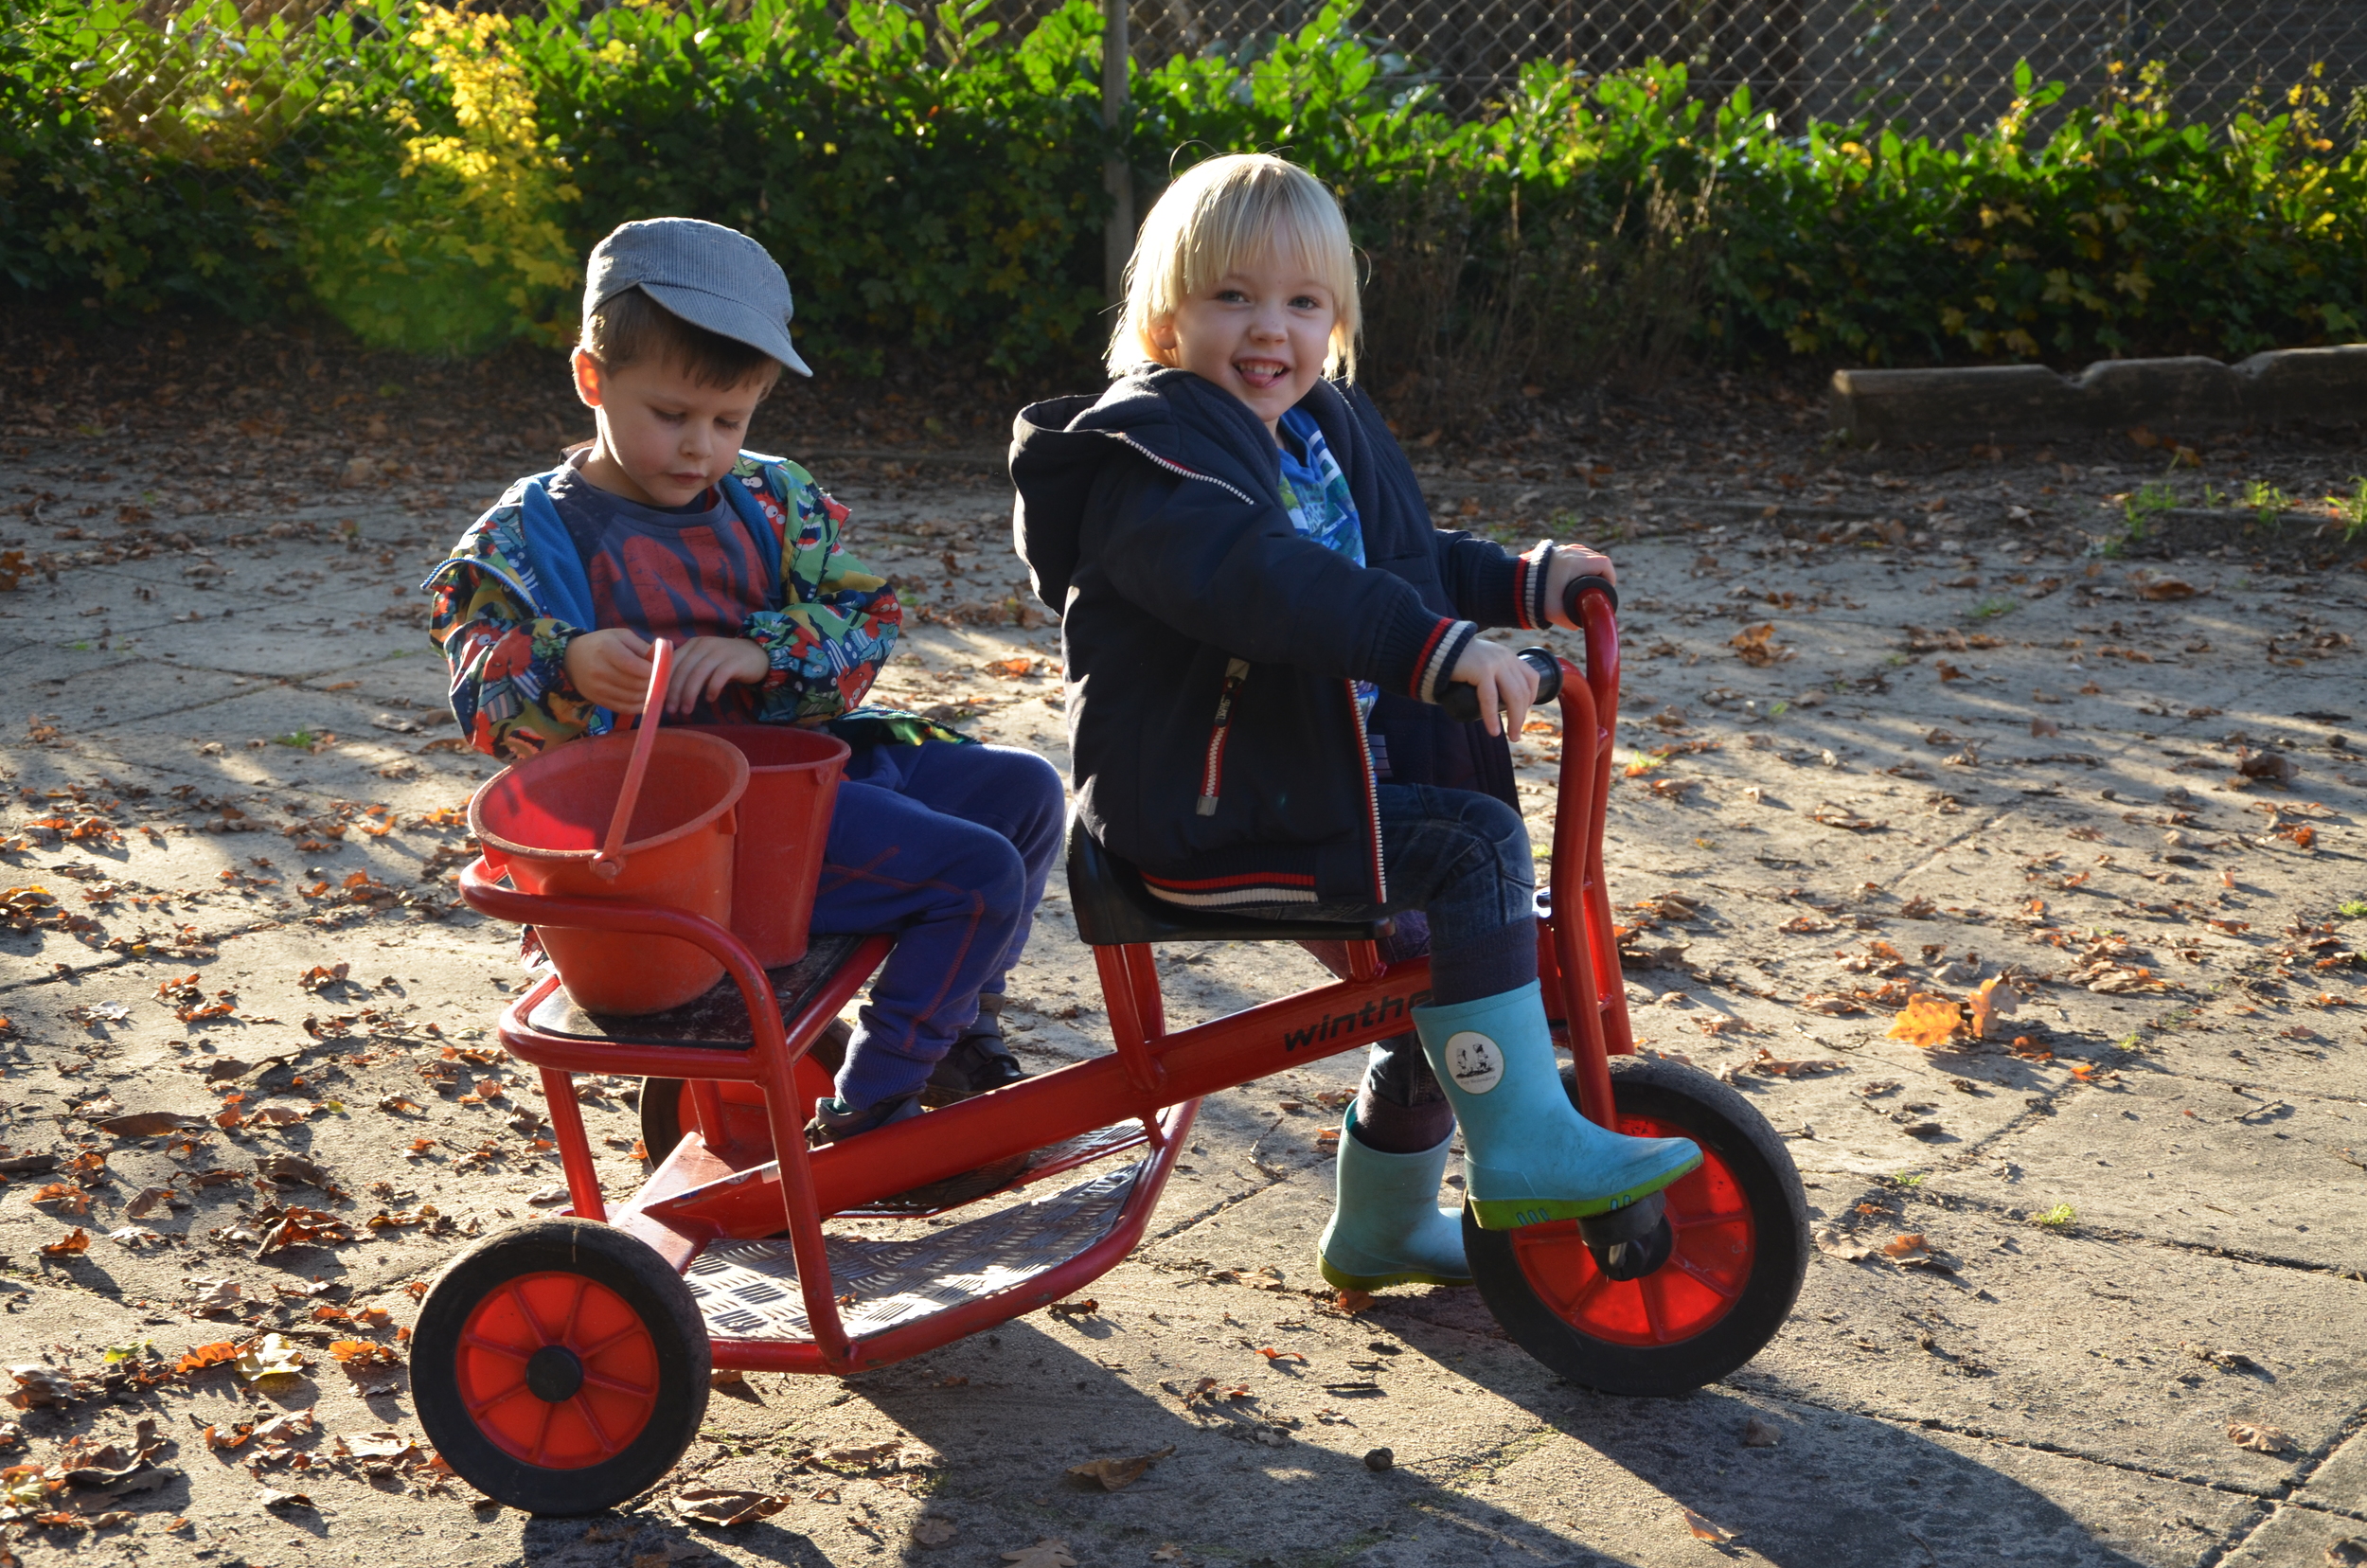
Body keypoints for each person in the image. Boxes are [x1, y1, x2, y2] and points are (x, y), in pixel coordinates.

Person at [1009, 155, 1698, 1290]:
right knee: (1472, 854)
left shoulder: (1310, 429)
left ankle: (1381, 1228)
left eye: (1302, 303)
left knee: (1440, 966)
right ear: (1165, 315)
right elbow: (1275, 583)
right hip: (1201, 803)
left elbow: (1393, 564)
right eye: (1232, 296)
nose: (1268, 329)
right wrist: (1431, 651)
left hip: (1304, 773)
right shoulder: (1154, 467)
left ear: (1337, 320)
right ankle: (1523, 1143)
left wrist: (1518, 585)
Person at [428, 218, 1062, 1182]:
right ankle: (871, 1111)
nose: (699, 448)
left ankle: (958, 1033)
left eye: (729, 422)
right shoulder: (529, 535)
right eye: (671, 415)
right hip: (675, 838)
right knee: (973, 876)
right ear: (591, 380)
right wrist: (564, 659)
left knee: (1022, 792)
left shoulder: (772, 503)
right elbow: (479, 681)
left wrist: (761, 653)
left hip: (790, 777)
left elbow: (864, 620)